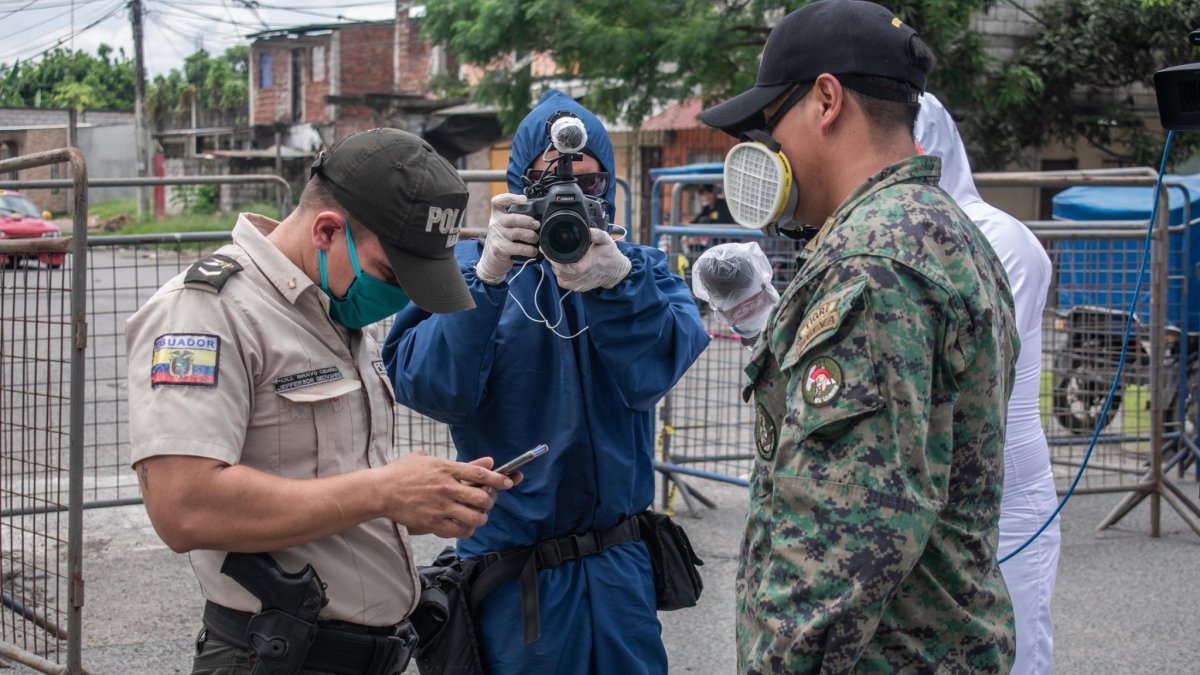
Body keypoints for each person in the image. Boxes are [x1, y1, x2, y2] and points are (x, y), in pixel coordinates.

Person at [695, 1, 1019, 672]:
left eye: (768, 121)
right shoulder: (949, 233)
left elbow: (843, 541)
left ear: (826, 100)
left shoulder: (869, 264)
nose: (764, 147)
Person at [126, 128, 516, 675]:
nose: (401, 297)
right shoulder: (208, 312)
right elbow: (184, 507)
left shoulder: (334, 309)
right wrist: (383, 491)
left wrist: (419, 503)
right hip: (277, 655)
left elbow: (332, 484)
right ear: (328, 231)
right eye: (392, 275)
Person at [382, 89, 710, 675]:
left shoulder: (635, 269)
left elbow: (656, 370)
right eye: (550, 181)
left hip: (620, 566)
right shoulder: (474, 271)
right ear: (517, 184)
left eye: (590, 183)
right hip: (517, 575)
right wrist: (484, 283)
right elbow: (430, 386)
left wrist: (620, 284)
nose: (571, 197)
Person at [916, 91, 1062, 675]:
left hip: (1002, 499)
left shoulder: (997, 239)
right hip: (927, 496)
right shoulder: (882, 237)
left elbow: (961, 376)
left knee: (1012, 652)